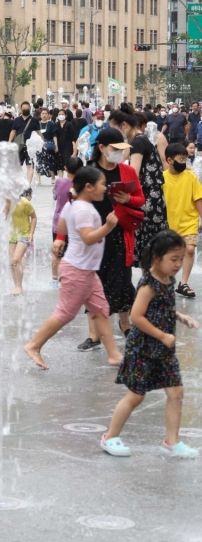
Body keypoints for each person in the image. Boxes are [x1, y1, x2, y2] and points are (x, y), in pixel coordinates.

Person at [101, 231, 199, 458]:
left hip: (163, 351)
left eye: (181, 259)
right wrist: (162, 335)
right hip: (143, 349)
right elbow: (136, 316)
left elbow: (161, 307)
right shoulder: (149, 285)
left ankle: (172, 441)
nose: (178, 264)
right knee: (136, 395)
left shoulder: (168, 280)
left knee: (176, 392)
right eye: (173, 259)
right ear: (157, 258)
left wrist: (179, 316)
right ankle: (110, 436)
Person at [24, 167, 122, 370]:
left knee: (101, 309)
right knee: (65, 313)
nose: (105, 188)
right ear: (89, 187)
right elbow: (88, 238)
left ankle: (114, 355)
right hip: (77, 270)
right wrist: (107, 227)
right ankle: (33, 345)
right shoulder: (83, 210)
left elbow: (62, 227)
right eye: (102, 184)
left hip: (85, 269)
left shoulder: (73, 205)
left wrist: (64, 238)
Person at [76, 128, 145, 348]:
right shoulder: (89, 172)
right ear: (102, 147)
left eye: (122, 149)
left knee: (122, 280)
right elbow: (76, 201)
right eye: (115, 149)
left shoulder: (127, 171)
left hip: (120, 234)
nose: (119, 153)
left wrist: (127, 199)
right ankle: (93, 334)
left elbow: (140, 199)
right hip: (94, 236)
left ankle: (125, 325)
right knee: (92, 283)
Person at [161, 142, 202, 299]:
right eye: (181, 159)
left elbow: (198, 199)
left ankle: (183, 283)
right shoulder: (162, 178)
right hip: (171, 223)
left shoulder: (191, 177)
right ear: (170, 160)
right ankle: (165, 281)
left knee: (190, 249)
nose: (184, 162)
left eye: (185, 159)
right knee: (170, 253)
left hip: (189, 220)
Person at [129, 111, 167, 269]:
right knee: (155, 238)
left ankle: (150, 276)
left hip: (145, 195)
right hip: (156, 194)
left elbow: (133, 173)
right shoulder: (149, 139)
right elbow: (164, 163)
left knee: (146, 237)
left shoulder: (138, 141)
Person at [51, 156, 82, 287]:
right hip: (74, 225)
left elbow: (55, 196)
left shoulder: (59, 182)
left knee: (57, 252)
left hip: (58, 222)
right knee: (73, 252)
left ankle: (54, 280)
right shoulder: (80, 186)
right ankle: (70, 279)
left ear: (65, 168)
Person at [7, 188, 37, 295]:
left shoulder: (25, 203)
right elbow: (4, 217)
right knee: (12, 262)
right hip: (12, 235)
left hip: (24, 234)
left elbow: (34, 217)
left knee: (16, 259)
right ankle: (16, 285)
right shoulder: (7, 202)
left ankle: (19, 286)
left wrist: (31, 233)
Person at [9, 101, 40, 184]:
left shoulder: (34, 120)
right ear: (21, 109)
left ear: (30, 108)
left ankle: (28, 185)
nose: (25, 110)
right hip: (19, 145)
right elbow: (13, 131)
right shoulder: (16, 120)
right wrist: (9, 142)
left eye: (27, 108)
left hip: (30, 146)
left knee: (30, 165)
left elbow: (38, 132)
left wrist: (42, 141)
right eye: (24, 108)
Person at [36, 107, 59, 180]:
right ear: (40, 115)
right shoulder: (37, 124)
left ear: (48, 115)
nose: (44, 115)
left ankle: (53, 177)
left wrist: (56, 145)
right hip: (39, 145)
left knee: (50, 161)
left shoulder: (51, 124)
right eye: (43, 113)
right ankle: (38, 179)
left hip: (49, 145)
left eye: (46, 113)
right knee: (39, 161)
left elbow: (54, 135)